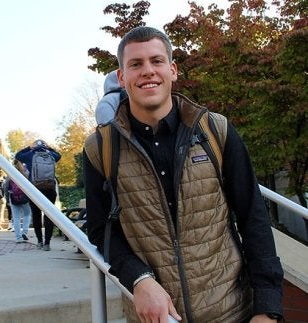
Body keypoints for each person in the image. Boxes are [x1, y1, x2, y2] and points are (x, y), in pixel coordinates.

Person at [84, 27, 284, 322]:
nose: (148, 71)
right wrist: (139, 278)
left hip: (232, 312)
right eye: (136, 64)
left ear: (173, 70)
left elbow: (253, 216)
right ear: (122, 77)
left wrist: (268, 308)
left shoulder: (216, 131)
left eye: (157, 61)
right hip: (156, 317)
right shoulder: (100, 148)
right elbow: (102, 230)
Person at [15, 139, 61, 251]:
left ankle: (40, 241)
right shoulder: (51, 155)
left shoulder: (30, 155)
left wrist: (30, 147)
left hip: (35, 189)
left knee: (36, 215)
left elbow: (18, 155)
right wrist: (49, 147)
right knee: (49, 215)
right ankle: (47, 244)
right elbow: (59, 156)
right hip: (50, 189)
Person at [5, 159, 32, 243]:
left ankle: (18, 237)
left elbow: (6, 187)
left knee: (16, 218)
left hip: (13, 197)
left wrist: (7, 199)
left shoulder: (10, 173)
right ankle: (25, 231)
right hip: (25, 197)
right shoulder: (26, 172)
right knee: (27, 214)